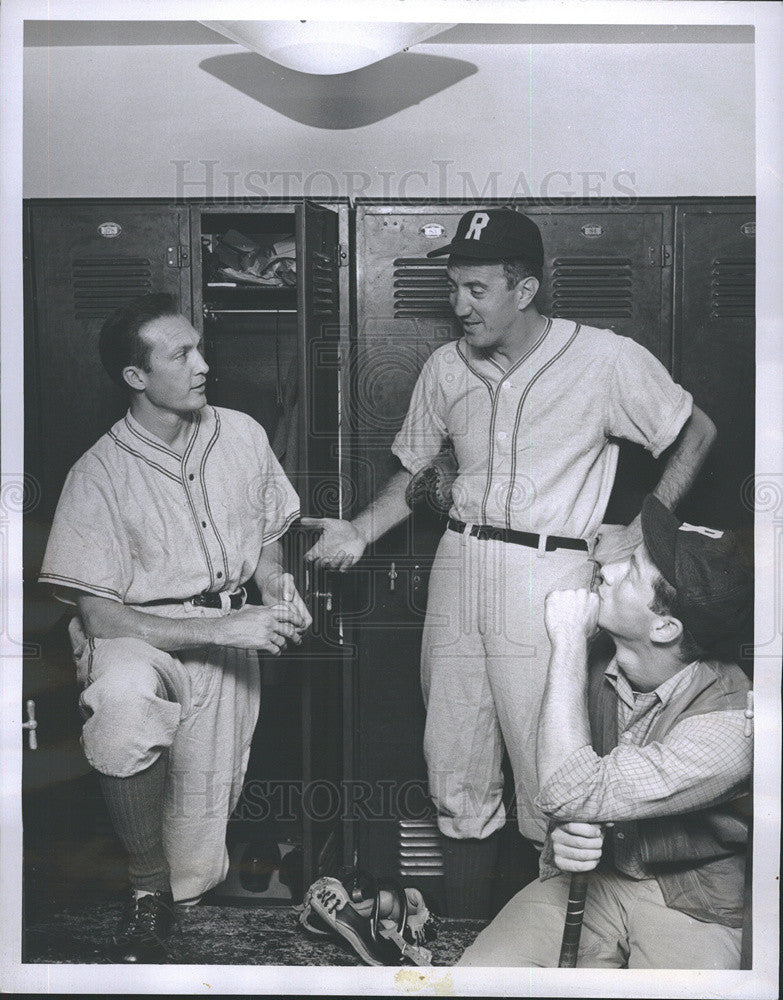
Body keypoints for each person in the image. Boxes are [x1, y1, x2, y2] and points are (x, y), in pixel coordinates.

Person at [302, 208, 717, 917]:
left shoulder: (603, 358)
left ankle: (551, 951)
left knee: (547, 765)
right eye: (453, 288)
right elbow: (416, 472)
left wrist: (646, 533)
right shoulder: (443, 366)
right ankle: (466, 942)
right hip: (459, 563)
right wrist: (361, 533)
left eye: (476, 290)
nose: (459, 306)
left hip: (549, 572)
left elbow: (695, 430)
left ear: (522, 290)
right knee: (454, 762)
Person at [39, 292, 312, 962]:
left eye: (199, 347)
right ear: (137, 377)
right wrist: (229, 631)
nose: (202, 363)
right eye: (181, 353)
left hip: (229, 642)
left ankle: (170, 910)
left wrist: (276, 586)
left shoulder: (241, 433)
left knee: (193, 863)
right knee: (123, 698)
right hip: (140, 639)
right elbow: (99, 617)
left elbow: (267, 540)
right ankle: (142, 889)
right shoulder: (97, 473)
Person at [457, 493, 753, 968]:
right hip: (598, 882)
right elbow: (564, 798)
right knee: (477, 978)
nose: (608, 569)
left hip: (693, 903)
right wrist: (563, 841)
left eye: (632, 570)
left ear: (664, 627)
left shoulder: (733, 722)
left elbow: (568, 788)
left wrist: (569, 642)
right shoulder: (598, 660)